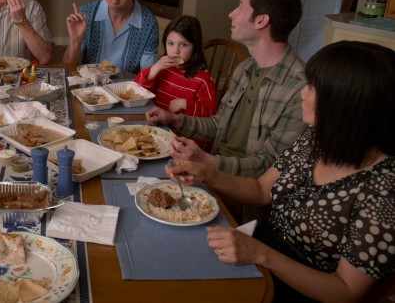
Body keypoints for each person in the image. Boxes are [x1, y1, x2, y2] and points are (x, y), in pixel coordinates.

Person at [166, 41, 395, 302]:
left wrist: (259, 253)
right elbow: (262, 189)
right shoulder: (315, 140)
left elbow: (346, 290)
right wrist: (207, 174)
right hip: (260, 249)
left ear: (346, 106)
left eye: (312, 88)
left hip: (296, 285)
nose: (302, 93)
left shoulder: (384, 191)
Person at [146, 0, 306, 180]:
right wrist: (173, 119)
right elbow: (219, 124)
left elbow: (269, 167)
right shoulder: (246, 68)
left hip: (241, 186)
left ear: (261, 21)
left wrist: (206, 161)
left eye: (240, 7)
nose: (231, 14)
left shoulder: (299, 89)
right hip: (214, 167)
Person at [63, 0, 159, 75]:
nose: (114, 1)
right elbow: (69, 66)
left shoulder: (148, 24)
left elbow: (147, 74)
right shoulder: (86, 14)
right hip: (88, 84)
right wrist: (75, 42)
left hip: (126, 85)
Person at [135, 15, 217, 117]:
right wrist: (155, 68)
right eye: (171, 43)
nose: (176, 51)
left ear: (195, 47)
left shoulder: (203, 80)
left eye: (184, 45)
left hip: (181, 126)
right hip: (156, 122)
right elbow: (137, 93)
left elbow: (211, 114)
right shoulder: (162, 69)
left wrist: (185, 104)